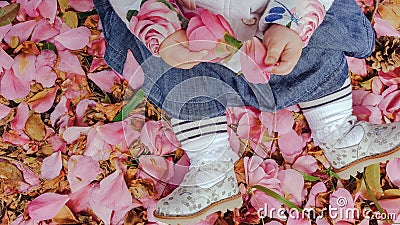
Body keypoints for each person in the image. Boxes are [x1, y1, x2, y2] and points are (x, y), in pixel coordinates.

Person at [93, 0, 400, 224]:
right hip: (185, 30)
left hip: (281, 17)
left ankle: (341, 133)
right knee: (183, 86)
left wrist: (291, 21)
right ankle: (210, 169)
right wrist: (159, 30)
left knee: (316, 54)